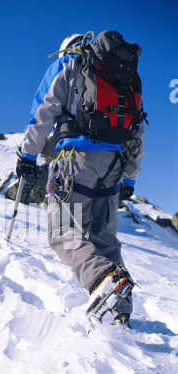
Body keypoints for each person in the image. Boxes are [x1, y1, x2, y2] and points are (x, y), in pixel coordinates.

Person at [16, 31, 146, 327]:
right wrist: (130, 178)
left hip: (77, 160)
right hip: (114, 164)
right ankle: (120, 309)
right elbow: (138, 130)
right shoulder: (123, 76)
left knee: (64, 233)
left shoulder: (70, 65)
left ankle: (104, 282)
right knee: (105, 238)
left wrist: (28, 154)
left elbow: (44, 109)